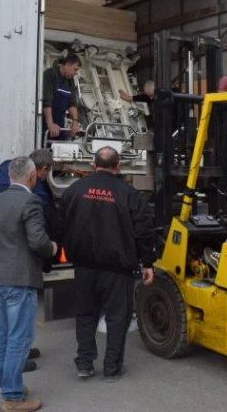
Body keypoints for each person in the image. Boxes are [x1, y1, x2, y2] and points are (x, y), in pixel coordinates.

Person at [58, 146, 155, 382]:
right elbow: (143, 232)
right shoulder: (129, 194)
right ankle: (112, 367)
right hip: (117, 269)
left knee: (85, 314)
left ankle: (84, 363)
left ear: (93, 164)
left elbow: (61, 225)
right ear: (118, 165)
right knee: (117, 317)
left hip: (83, 265)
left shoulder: (74, 190)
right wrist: (147, 263)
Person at [0, 157, 57, 412]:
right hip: (18, 278)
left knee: (3, 336)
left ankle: (9, 386)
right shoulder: (31, 201)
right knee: (19, 338)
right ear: (32, 176)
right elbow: (38, 241)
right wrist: (52, 248)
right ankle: (12, 398)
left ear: (11, 176)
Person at [0, 149, 57, 372]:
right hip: (18, 270)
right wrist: (52, 249)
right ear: (37, 173)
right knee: (19, 328)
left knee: (2, 330)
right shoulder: (35, 198)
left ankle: (5, 371)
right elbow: (38, 239)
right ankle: (12, 389)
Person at [42, 54, 81, 141]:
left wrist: (75, 121)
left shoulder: (70, 81)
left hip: (60, 124)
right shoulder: (50, 74)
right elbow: (47, 101)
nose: (76, 73)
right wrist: (50, 123)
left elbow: (72, 103)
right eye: (75, 69)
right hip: (45, 124)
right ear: (67, 65)